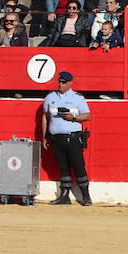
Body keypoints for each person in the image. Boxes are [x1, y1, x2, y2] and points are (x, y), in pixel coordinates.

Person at [39, 71, 91, 206]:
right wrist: (44, 136)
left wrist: (73, 118)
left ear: (70, 83)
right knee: (63, 167)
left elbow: (87, 116)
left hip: (73, 138)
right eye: (59, 82)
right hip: (56, 138)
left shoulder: (77, 97)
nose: (60, 84)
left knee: (78, 165)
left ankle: (86, 196)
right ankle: (64, 196)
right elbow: (45, 117)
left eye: (63, 82)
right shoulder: (50, 97)